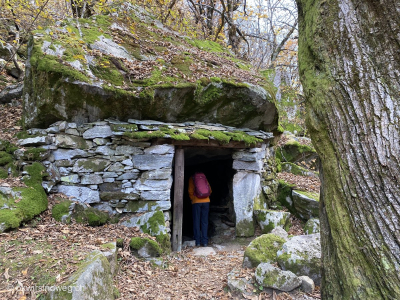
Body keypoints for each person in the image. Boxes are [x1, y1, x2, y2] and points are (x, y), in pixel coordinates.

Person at [188, 172, 212, 247]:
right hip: (206, 201)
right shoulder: (204, 177)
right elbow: (210, 190)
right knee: (204, 221)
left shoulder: (192, 178)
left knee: (196, 221)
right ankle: (205, 242)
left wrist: (192, 199)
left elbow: (190, 190)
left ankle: (197, 241)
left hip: (196, 202)